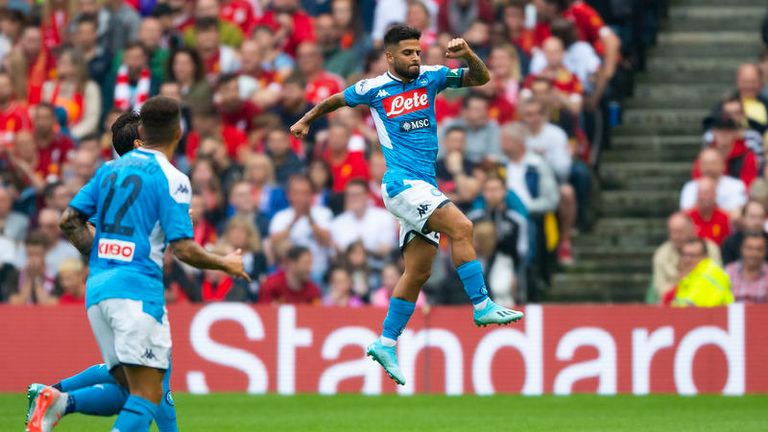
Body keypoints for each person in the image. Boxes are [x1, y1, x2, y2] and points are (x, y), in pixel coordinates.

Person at [289, 25, 523, 386]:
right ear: (390, 56)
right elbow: (337, 99)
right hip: (401, 184)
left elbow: (482, 77)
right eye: (408, 53)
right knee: (462, 227)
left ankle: (385, 342)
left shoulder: (432, 77)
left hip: (423, 186)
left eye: (418, 51)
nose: (416, 58)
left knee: (418, 272)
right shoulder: (372, 88)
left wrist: (467, 54)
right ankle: (482, 305)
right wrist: (306, 120)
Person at [27, 97, 249, 432]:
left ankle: (59, 398)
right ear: (177, 131)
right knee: (149, 393)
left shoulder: (108, 171)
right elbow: (184, 249)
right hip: (136, 293)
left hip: (98, 290)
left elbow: (69, 220)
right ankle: (59, 399)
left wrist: (105, 253)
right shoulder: (172, 178)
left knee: (129, 389)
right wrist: (226, 263)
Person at [652, 212, 722, 302]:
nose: (675, 236)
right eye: (672, 232)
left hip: (707, 301)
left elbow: (716, 279)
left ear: (692, 230)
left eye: (680, 232)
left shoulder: (711, 249)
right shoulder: (661, 254)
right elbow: (661, 289)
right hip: (673, 304)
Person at [668, 238, 733, 307]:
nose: (687, 260)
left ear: (705, 256)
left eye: (692, 255)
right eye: (684, 255)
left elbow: (689, 308)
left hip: (717, 317)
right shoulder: (690, 277)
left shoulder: (710, 274)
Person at [721, 201, 768, 265]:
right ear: (743, 219)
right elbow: (727, 269)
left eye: (760, 217)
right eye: (753, 217)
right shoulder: (730, 243)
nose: (757, 222)